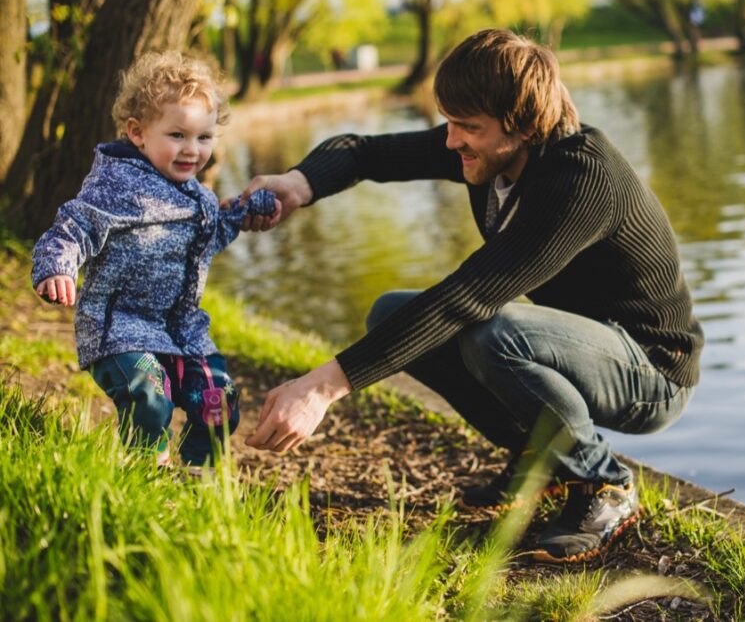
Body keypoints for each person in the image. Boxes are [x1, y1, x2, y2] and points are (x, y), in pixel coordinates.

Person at [241, 29, 704, 563]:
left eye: (468, 127)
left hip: (652, 372)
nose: (451, 140)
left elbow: (468, 296)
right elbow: (364, 153)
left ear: (524, 125)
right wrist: (299, 183)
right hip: (584, 351)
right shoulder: (490, 151)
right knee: (389, 312)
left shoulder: (581, 179)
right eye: (451, 121)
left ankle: (606, 485)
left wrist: (322, 388)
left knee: (492, 333)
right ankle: (541, 460)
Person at [31, 51, 278, 469]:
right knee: (150, 393)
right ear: (138, 132)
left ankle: (196, 472)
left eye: (203, 137)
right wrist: (56, 265)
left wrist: (242, 213)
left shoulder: (197, 195)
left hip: (184, 332)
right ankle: (146, 471)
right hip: (120, 330)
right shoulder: (117, 185)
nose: (192, 150)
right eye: (177, 135)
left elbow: (206, 236)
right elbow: (74, 228)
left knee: (220, 403)